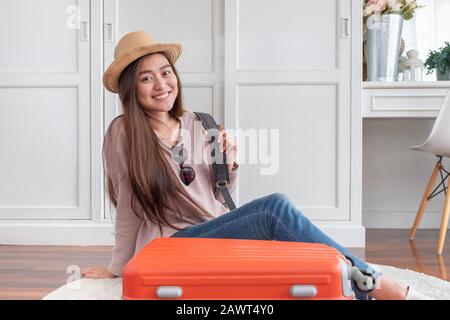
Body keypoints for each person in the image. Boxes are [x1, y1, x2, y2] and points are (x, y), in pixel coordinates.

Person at [81, 30, 432, 300]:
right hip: (171, 245)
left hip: (211, 235)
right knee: (274, 208)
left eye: (166, 72)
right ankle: (373, 282)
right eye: (147, 78)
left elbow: (220, 197)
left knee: (286, 247)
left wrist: (230, 166)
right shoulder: (124, 132)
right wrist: (117, 268)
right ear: (132, 87)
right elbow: (127, 203)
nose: (162, 85)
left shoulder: (199, 121)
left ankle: (354, 280)